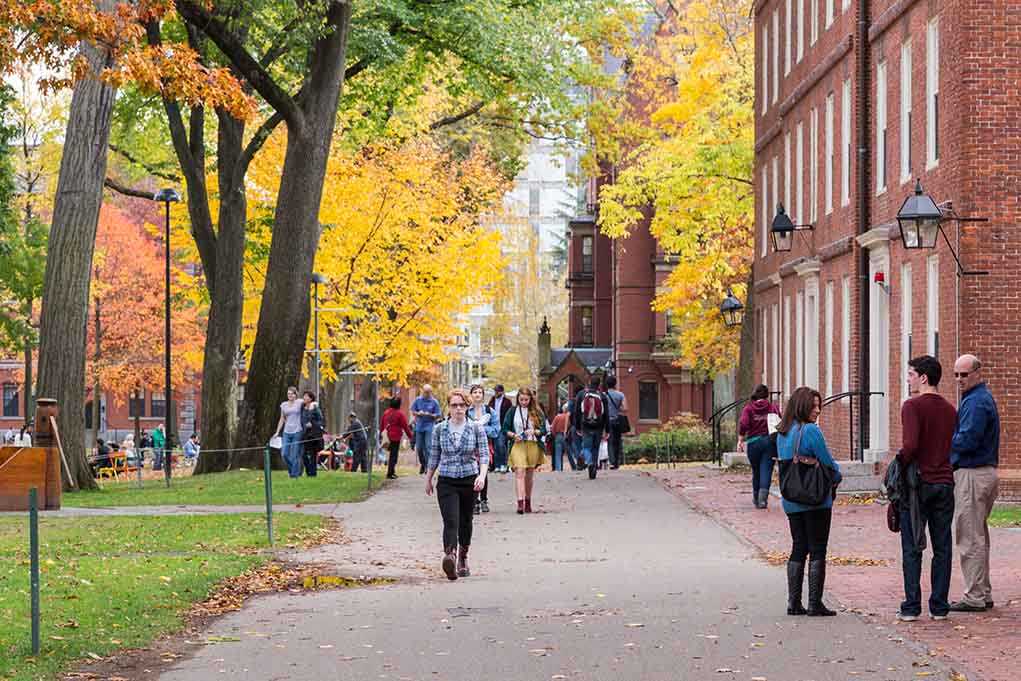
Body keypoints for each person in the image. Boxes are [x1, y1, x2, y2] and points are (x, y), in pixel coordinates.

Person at [894, 355, 957, 622]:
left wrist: (898, 463)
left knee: (912, 545)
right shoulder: (951, 410)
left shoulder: (912, 406)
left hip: (918, 486)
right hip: (944, 482)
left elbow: (910, 446)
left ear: (923, 377)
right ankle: (939, 606)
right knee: (942, 546)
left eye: (910, 374)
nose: (908, 379)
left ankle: (911, 606)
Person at [776, 386, 842, 617]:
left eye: (819, 405)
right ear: (802, 406)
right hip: (815, 500)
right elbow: (827, 463)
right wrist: (837, 476)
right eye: (813, 406)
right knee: (817, 548)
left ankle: (794, 603)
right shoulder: (810, 431)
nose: (817, 410)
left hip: (791, 500)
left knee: (798, 547)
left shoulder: (782, 432)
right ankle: (815, 603)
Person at [949, 354, 1000, 613]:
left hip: (973, 473)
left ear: (977, 373)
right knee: (978, 535)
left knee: (969, 537)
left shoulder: (976, 403)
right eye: (956, 374)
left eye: (964, 374)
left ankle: (975, 596)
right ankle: (983, 592)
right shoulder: (976, 399)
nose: (959, 379)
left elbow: (966, 440)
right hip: (983, 472)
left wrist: (944, 447)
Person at [425, 389, 489, 580]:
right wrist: (428, 478)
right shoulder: (440, 429)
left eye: (462, 405)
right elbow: (434, 455)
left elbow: (484, 455)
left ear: (467, 407)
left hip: (470, 480)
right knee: (451, 520)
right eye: (454, 405)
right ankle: (450, 556)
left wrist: (482, 476)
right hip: (446, 480)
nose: (458, 409)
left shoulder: (476, 428)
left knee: (466, 521)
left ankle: (463, 556)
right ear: (449, 407)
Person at [503, 387, 548, 514]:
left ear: (530, 399)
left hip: (532, 444)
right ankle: (520, 503)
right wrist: (513, 435)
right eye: (521, 399)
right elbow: (505, 429)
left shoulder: (536, 412)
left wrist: (534, 431)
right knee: (519, 471)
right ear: (517, 399)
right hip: (518, 445)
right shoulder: (512, 411)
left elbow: (544, 430)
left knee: (529, 474)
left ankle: (528, 501)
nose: (523, 402)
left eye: (526, 400)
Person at [738, 385, 782, 509]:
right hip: (769, 442)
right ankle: (762, 500)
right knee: (766, 470)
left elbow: (743, 424)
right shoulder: (773, 407)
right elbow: (781, 422)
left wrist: (740, 439)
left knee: (756, 471)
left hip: (753, 443)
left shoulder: (748, 408)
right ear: (767, 395)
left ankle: (756, 497)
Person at [467, 384, 499, 514]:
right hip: (470, 445)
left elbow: (496, 431)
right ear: (471, 395)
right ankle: (475, 501)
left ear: (483, 395)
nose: (477, 394)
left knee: (483, 472)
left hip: (485, 444)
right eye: (475, 392)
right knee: (472, 472)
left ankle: (484, 499)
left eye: (480, 392)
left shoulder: (490, 412)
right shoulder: (466, 411)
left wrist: (481, 428)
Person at [572, 376, 609, 480]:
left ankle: (590, 463)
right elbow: (606, 414)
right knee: (595, 447)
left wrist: (577, 426)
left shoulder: (581, 395)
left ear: (589, 383)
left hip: (586, 425)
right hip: (599, 425)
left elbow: (577, 412)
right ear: (599, 384)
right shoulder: (602, 396)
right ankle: (594, 471)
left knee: (587, 447)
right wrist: (607, 430)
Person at [411, 385, 442, 475]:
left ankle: (428, 468)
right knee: (419, 448)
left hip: (429, 426)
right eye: (425, 392)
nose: (426, 394)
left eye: (428, 392)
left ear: (431, 392)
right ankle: (423, 463)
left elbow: (438, 414)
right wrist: (418, 413)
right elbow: (413, 411)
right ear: (422, 391)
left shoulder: (434, 402)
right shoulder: (418, 400)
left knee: (428, 447)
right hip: (419, 426)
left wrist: (431, 415)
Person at [274, 387, 304, 478]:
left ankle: (294, 475)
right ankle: (296, 470)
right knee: (284, 454)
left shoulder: (300, 402)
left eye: (292, 393)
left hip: (297, 431)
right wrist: (277, 432)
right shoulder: (284, 405)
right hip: (287, 432)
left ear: (296, 394)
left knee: (295, 455)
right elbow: (282, 419)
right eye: (288, 394)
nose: (290, 395)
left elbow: (309, 404)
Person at [381, 396, 413, 480]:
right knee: (393, 455)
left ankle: (391, 471)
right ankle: (390, 473)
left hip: (387, 436)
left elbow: (382, 424)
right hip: (395, 437)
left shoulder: (386, 412)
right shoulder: (399, 414)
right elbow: (405, 426)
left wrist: (381, 434)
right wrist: (410, 436)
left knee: (390, 455)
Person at [604, 375, 628, 469]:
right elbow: (625, 408)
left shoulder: (604, 395)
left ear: (607, 384)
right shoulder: (620, 395)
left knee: (610, 441)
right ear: (615, 384)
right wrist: (618, 408)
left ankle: (612, 462)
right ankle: (617, 462)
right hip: (617, 420)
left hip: (608, 421)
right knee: (617, 441)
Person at [488, 385, 513, 473]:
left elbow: (510, 415)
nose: (496, 393)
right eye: (495, 391)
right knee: (495, 447)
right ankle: (497, 465)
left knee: (501, 445)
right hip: (494, 427)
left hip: (503, 427)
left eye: (497, 391)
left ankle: (504, 464)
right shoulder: (492, 401)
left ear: (502, 392)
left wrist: (509, 427)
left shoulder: (507, 402)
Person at [300, 391, 325, 478]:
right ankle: (308, 471)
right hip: (305, 434)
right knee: (303, 454)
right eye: (304, 396)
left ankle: (312, 474)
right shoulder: (302, 408)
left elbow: (321, 420)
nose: (304, 398)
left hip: (313, 435)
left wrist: (312, 424)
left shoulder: (315, 408)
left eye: (306, 396)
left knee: (313, 454)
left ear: (310, 398)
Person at [550, 403, 571, 472]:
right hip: (567, 435)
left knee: (558, 453)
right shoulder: (569, 417)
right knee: (569, 452)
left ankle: (558, 469)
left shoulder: (558, 417)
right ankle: (574, 466)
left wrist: (554, 434)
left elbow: (553, 427)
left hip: (558, 435)